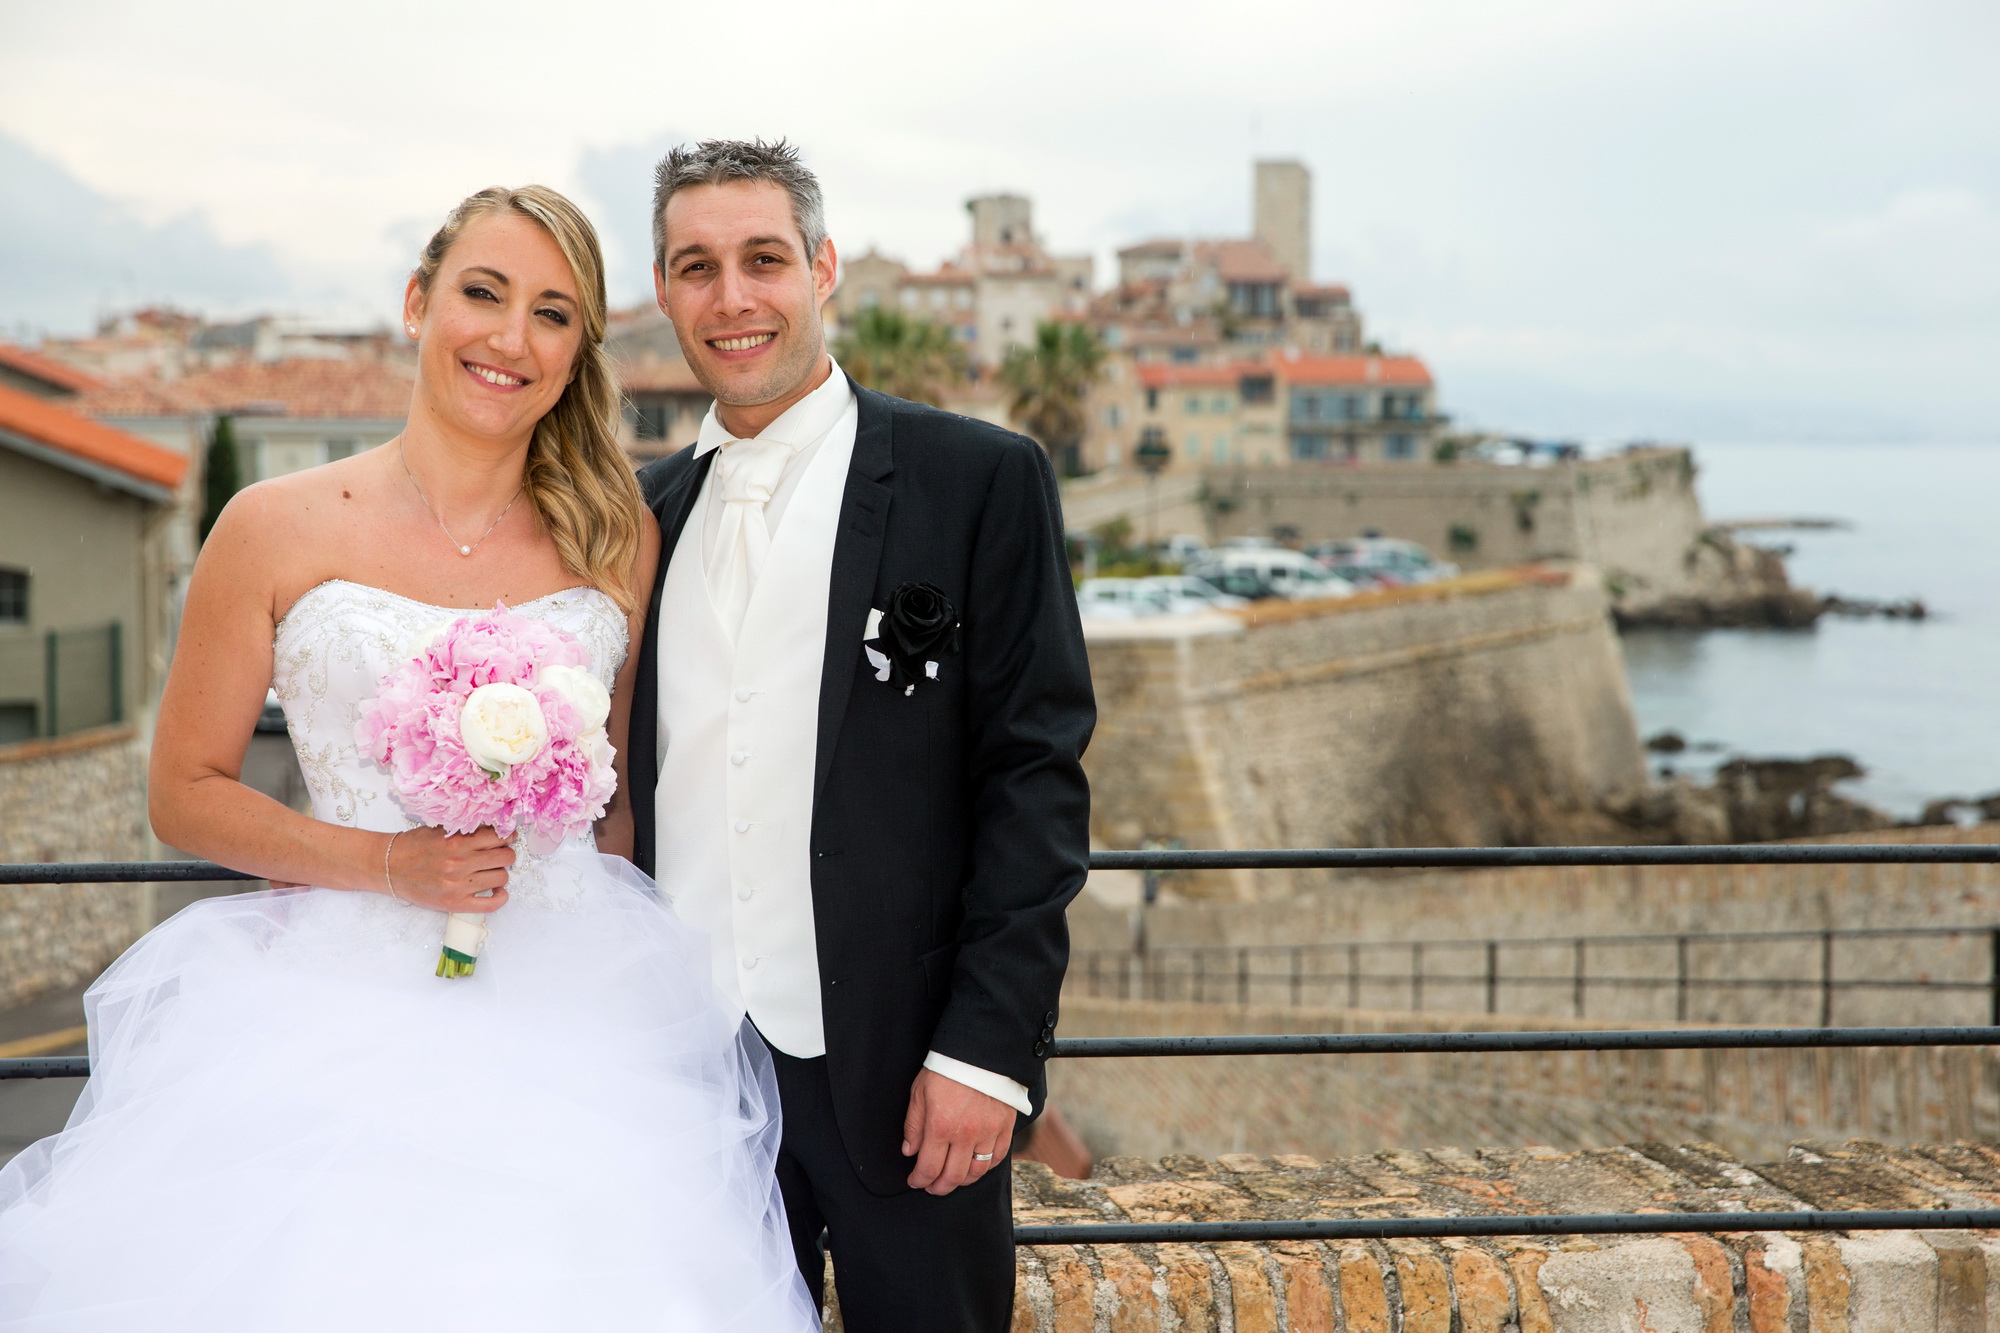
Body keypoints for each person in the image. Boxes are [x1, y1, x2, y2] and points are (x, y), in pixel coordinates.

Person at [0, 185, 820, 1332]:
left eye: (551, 313)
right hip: (336, 1003)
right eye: (482, 293)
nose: (508, 337)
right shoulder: (273, 525)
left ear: (578, 350)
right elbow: (183, 794)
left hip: (580, 1020)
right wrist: (392, 866)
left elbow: (615, 807)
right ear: (417, 302)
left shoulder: (615, 532)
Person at [631, 139, 1095, 1332]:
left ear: (822, 267)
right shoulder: (638, 515)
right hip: (686, 1088)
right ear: (663, 288)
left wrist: (986, 1055)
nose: (730, 298)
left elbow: (1030, 780)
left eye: (762, 259)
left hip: (911, 1082)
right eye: (696, 267)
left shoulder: (977, 477)